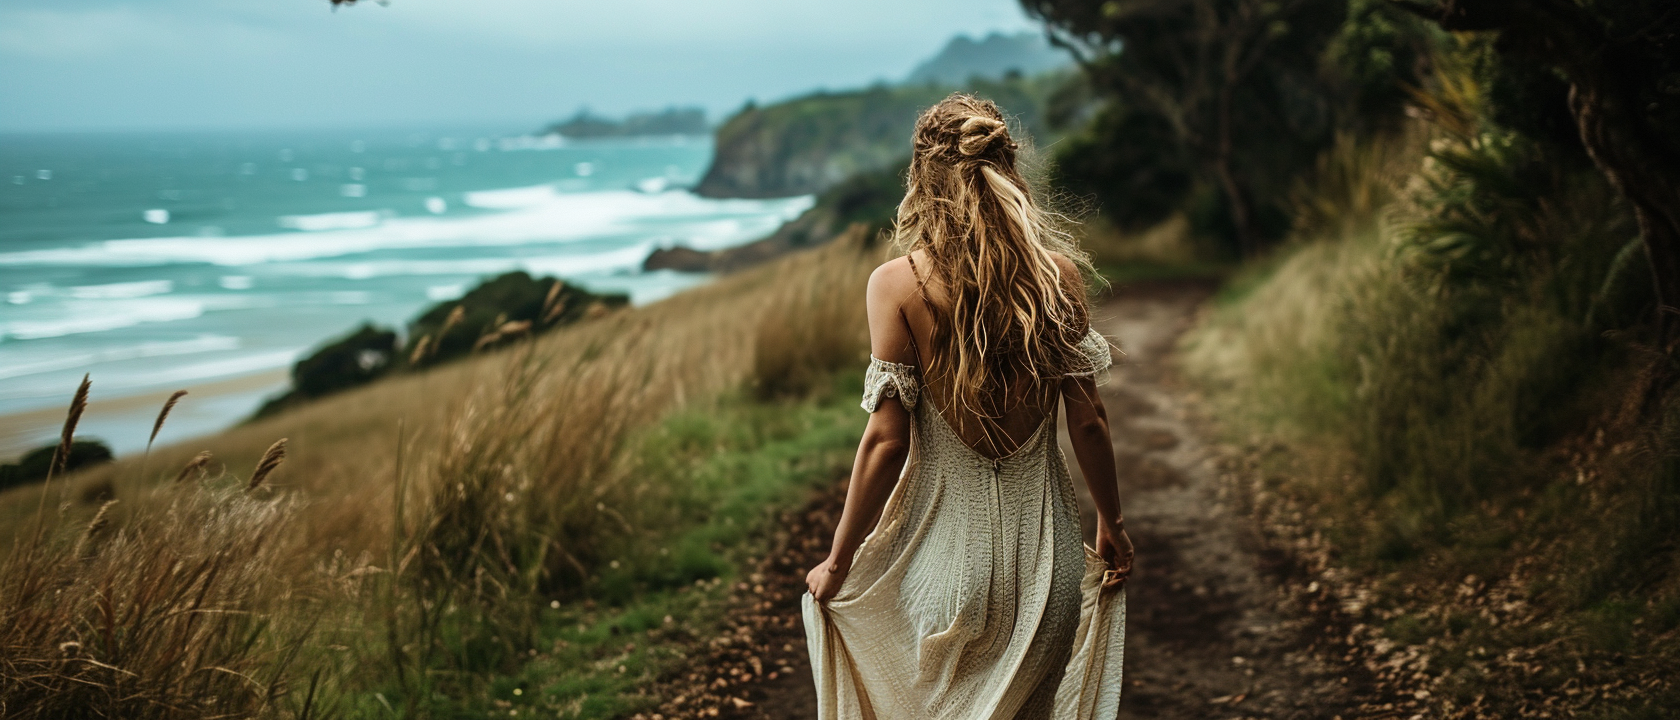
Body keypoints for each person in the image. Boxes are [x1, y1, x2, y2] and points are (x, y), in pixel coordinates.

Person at [802, 93, 1134, 720]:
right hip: (1051, 568)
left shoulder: (899, 284)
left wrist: (838, 561)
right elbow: (1088, 420)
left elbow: (886, 441)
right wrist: (1111, 524)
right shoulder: (1057, 277)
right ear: (1008, 167)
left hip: (948, 568)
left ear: (921, 180)